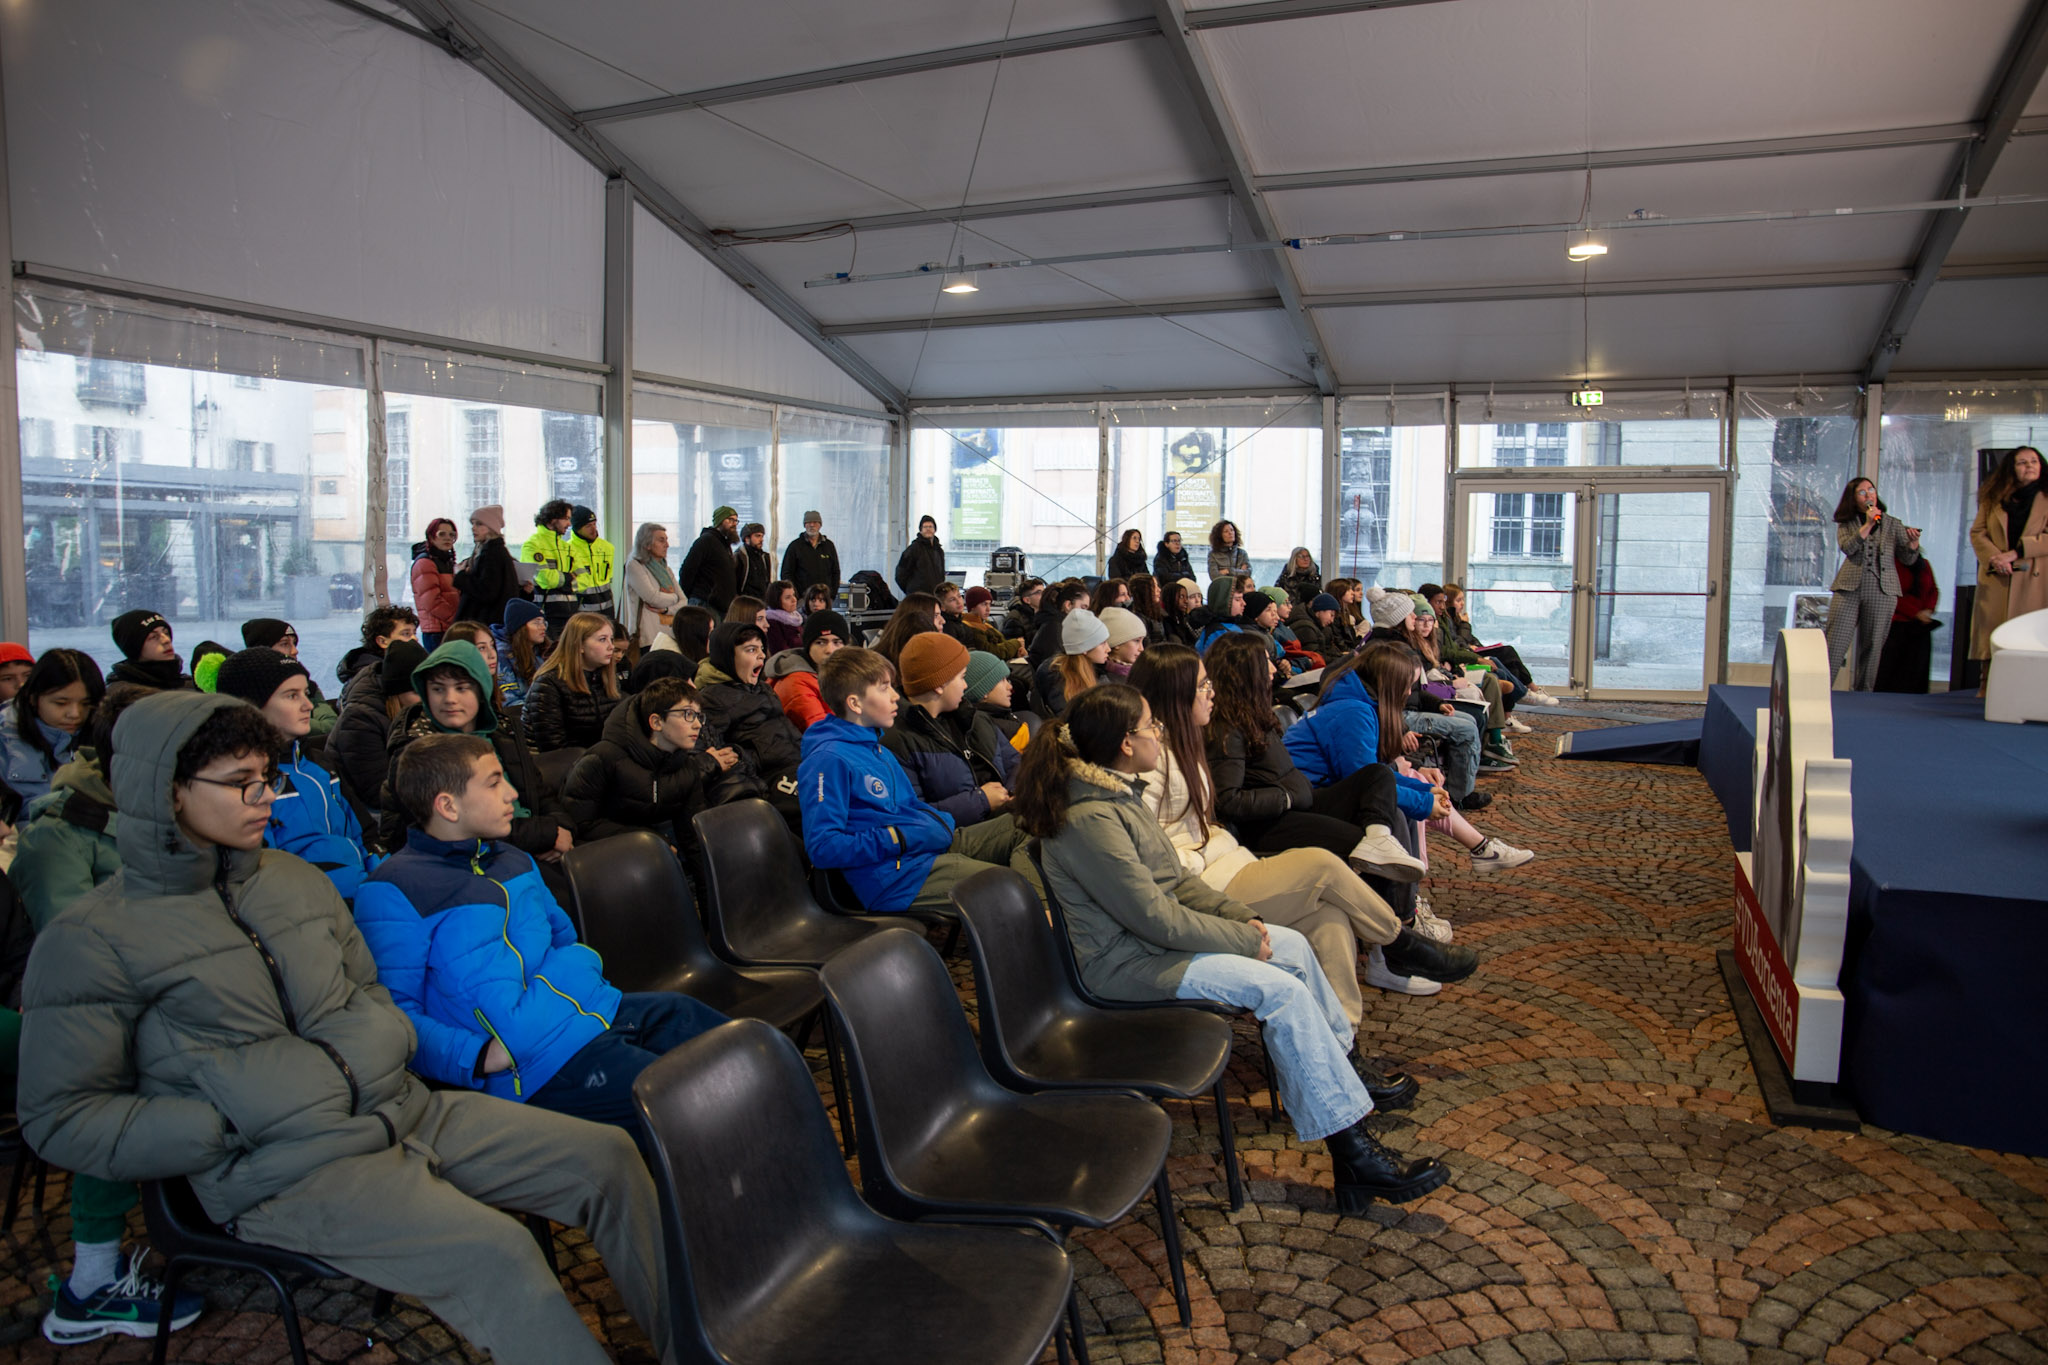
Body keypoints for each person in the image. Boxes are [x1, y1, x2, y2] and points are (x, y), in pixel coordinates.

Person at [17, 691, 675, 1365]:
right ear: (168, 793)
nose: (266, 799)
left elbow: (371, 992)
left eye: (266, 778)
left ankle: (691, 1344)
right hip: (282, 1166)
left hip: (404, 1108)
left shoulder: (294, 884)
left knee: (609, 1158)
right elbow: (60, 1115)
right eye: (241, 784)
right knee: (498, 1252)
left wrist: (387, 1045)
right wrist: (224, 1127)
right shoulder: (94, 938)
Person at [1011, 683, 1448, 1208]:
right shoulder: (1090, 819)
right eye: (1151, 726)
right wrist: (1242, 939)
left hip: (1149, 949)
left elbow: (1176, 881)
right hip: (1124, 965)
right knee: (1281, 991)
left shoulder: (1116, 794)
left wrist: (1244, 917)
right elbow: (1154, 918)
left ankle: (1344, 1074)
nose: (1159, 733)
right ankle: (1353, 1152)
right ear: (1125, 744)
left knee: (1293, 946)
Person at [357, 732, 726, 1150]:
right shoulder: (394, 890)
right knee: (694, 1103)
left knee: (729, 1046)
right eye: (494, 782)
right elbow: (394, 1015)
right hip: (533, 1067)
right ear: (448, 806)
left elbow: (566, 940)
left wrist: (574, 979)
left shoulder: (513, 858)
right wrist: (478, 1057)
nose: (512, 794)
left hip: (593, 1012)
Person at [1129, 646, 1472, 1023]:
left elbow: (1202, 821)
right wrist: (1266, 811)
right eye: (1202, 686)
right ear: (1175, 695)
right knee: (1325, 864)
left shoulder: (1186, 743)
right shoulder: (1153, 762)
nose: (1212, 693)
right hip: (1209, 879)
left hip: (1229, 859)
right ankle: (1399, 942)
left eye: (1210, 683)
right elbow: (1162, 852)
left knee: (1330, 919)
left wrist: (1220, 837)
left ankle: (1343, 1034)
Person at [5, 682, 190, 1346]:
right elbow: (76, 959)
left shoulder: (162, 811)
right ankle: (92, 1280)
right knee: (114, 1068)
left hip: (156, 991)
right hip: (58, 1010)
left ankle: (221, 1209)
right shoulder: (62, 831)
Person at [1203, 632, 1444, 943]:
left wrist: (1422, 792)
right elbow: (1227, 800)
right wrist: (1287, 797)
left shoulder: (1251, 715)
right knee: (1366, 837)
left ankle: (1381, 843)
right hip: (1271, 821)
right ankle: (1395, 937)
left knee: (1378, 776)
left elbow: (1362, 772)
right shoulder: (1228, 727)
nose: (1274, 668)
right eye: (1266, 662)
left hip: (1302, 800)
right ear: (1245, 671)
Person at [798, 647, 1039, 914]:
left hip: (924, 847)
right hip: (898, 877)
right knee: (1007, 887)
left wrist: (932, 826)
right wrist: (896, 837)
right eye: (884, 688)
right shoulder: (828, 760)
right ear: (855, 704)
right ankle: (1036, 918)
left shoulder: (876, 749)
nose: (895, 696)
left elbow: (910, 809)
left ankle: (1038, 912)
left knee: (1030, 823)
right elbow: (823, 847)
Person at [1290, 644, 1533, 874]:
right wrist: (1423, 802)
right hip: (1308, 800)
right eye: (1407, 685)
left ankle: (1470, 855)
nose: (1408, 692)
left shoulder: (1356, 705)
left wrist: (1424, 791)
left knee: (1410, 795)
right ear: (1390, 683)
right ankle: (1416, 889)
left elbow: (1373, 776)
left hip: (1314, 791)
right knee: (1400, 809)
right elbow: (1368, 783)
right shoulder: (1353, 712)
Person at [384, 640, 573, 872]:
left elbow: (539, 791)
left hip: (529, 845)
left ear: (481, 690)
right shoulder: (416, 753)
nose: (450, 698)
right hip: (468, 864)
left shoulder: (502, 733)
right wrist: (545, 834)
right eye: (438, 689)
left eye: (461, 688)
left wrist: (563, 827)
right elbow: (456, 830)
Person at [214, 648, 378, 902]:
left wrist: (384, 875)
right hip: (312, 903)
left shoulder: (319, 765)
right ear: (252, 707)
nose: (308, 705)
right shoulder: (242, 783)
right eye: (292, 695)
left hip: (364, 889)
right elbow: (264, 874)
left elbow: (366, 834)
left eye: (306, 693)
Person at [880, 633, 1021, 830]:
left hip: (1004, 816)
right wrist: (981, 801)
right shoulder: (896, 741)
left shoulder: (975, 718)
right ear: (940, 684)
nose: (966, 685)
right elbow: (913, 818)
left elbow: (1016, 763)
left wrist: (1013, 792)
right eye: (962, 677)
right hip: (954, 836)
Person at [563, 676, 717, 854]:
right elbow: (579, 822)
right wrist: (648, 840)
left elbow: (692, 838)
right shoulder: (603, 758)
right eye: (688, 714)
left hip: (653, 850)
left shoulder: (687, 767)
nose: (698, 725)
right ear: (656, 722)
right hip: (606, 854)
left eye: (698, 716)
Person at [1826, 476, 1921, 692]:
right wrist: (1868, 524)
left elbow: (1907, 559)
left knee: (1873, 645)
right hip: (1849, 587)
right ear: (1853, 498)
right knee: (1835, 642)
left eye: (1871, 490)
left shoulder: (1893, 524)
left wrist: (1913, 544)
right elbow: (1848, 548)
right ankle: (1821, 690)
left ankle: (1863, 695)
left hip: (1882, 589)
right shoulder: (1847, 523)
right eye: (1862, 492)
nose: (1868, 495)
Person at [1970, 445, 2047, 693]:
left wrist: (2016, 553)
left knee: (2026, 636)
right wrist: (1996, 558)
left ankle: (2026, 692)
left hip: (2033, 577)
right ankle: (1986, 686)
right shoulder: (1993, 497)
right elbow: (1978, 532)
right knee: (1991, 631)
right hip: (1998, 575)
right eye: (2022, 462)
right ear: (2011, 469)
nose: (2029, 466)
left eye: (2034, 461)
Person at [1, 650, 105, 804]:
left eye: (86, 704)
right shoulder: (4, 740)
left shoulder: (103, 732)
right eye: (61, 703)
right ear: (33, 698)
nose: (75, 714)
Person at [521, 613, 621, 753]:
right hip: (559, 761)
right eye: (602, 639)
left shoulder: (608, 678)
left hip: (597, 758)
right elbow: (553, 747)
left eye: (611, 639)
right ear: (579, 645)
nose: (611, 646)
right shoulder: (548, 683)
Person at [240, 619, 339, 735]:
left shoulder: (307, 685)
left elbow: (330, 725)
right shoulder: (244, 689)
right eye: (285, 644)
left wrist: (288, 721)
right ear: (262, 650)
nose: (295, 651)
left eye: (294, 643)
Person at [768, 608, 848, 732]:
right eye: (820, 642)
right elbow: (822, 732)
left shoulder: (838, 673)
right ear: (808, 646)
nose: (830, 650)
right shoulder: (795, 682)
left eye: (837, 642)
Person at [1875, 553, 1942, 694]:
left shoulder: (1924, 564)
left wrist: (1929, 609)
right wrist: (1915, 612)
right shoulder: (1890, 565)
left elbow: (1933, 590)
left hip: (1921, 626)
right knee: (1894, 675)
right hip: (1898, 626)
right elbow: (1891, 594)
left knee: (1918, 673)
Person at [453, 505, 522, 628]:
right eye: (473, 524)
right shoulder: (493, 551)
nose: (473, 528)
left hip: (485, 622)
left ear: (491, 528)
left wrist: (460, 575)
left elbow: (486, 592)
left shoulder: (492, 553)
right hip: (490, 621)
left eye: (479, 524)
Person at [337, 605, 420, 706]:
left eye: (414, 633)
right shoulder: (371, 680)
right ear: (382, 641)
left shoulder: (399, 669)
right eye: (406, 634)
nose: (415, 639)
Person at [521, 499, 582, 636]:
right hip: (546, 617)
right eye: (566, 519)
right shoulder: (532, 545)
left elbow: (583, 578)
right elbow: (545, 579)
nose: (569, 524)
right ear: (553, 519)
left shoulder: (567, 547)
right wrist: (568, 578)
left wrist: (560, 580)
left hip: (571, 616)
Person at [620, 521, 683, 650]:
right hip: (648, 635)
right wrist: (674, 597)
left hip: (668, 633)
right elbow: (653, 598)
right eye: (661, 540)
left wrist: (667, 609)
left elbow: (684, 601)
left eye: (666, 540)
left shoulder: (666, 569)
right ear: (647, 544)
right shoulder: (635, 565)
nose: (667, 545)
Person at [1037, 608, 1111, 719]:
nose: (1108, 649)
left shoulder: (1096, 670)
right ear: (1085, 648)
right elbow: (1070, 722)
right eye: (1102, 643)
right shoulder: (1059, 681)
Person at [678, 505, 741, 615]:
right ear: (719, 521)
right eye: (730, 520)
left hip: (720, 606)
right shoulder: (706, 541)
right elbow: (687, 570)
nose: (734, 524)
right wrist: (688, 596)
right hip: (705, 604)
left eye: (736, 521)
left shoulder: (724, 545)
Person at [411, 518, 460, 649]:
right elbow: (431, 601)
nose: (447, 538)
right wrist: (457, 618)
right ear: (431, 537)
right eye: (441, 534)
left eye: (452, 535)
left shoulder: (447, 562)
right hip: (437, 631)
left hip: (448, 628)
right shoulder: (425, 563)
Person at [108, 610, 187, 690]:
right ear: (135, 647)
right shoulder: (125, 694)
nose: (166, 640)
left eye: (166, 633)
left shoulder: (188, 684)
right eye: (153, 637)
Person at [873, 593, 943, 678]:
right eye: (935, 616)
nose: (943, 621)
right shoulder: (883, 664)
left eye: (940, 615)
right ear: (917, 618)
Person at [496, 598, 550, 706]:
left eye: (544, 622)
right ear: (520, 627)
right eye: (537, 623)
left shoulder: (543, 650)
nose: (543, 627)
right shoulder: (502, 656)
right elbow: (509, 701)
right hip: (522, 713)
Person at [949, 585, 1023, 661]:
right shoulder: (970, 627)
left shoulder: (984, 623)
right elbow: (992, 652)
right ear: (973, 606)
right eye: (984, 604)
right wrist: (1016, 643)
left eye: (989, 604)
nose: (988, 609)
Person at [1028, 580, 1091, 668]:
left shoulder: (1054, 624)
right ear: (1068, 605)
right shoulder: (1055, 629)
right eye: (1083, 608)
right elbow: (1056, 670)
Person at [781, 510, 841, 602]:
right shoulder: (795, 546)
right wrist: (796, 595)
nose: (812, 525)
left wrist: (832, 595)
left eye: (815, 522)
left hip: (825, 599)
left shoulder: (829, 546)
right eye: (808, 522)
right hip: (802, 600)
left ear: (820, 525)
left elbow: (835, 572)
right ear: (804, 525)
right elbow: (786, 573)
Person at [895, 514, 948, 598]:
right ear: (920, 530)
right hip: (918, 597)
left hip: (935, 596)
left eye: (930, 526)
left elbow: (941, 574)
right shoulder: (913, 549)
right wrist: (911, 590)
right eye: (925, 527)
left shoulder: (939, 550)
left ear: (935, 530)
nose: (928, 529)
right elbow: (900, 574)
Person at [1193, 577, 1245, 655]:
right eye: (1237, 599)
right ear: (1223, 602)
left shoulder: (1228, 626)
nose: (1243, 603)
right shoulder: (1218, 634)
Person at [1099, 606, 1148, 681]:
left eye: (1142, 641)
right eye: (1137, 641)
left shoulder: (1142, 671)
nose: (1141, 648)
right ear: (1117, 643)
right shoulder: (1105, 678)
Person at [734, 521, 775, 603]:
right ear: (747, 538)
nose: (761, 540)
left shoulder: (765, 557)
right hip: (745, 601)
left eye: (762, 536)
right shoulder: (739, 556)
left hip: (762, 601)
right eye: (757, 536)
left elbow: (767, 581)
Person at [762, 581, 804, 654]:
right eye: (788, 597)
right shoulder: (772, 622)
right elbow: (781, 651)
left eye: (793, 595)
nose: (794, 600)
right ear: (777, 600)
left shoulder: (796, 618)